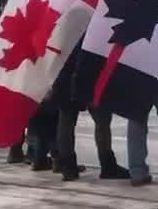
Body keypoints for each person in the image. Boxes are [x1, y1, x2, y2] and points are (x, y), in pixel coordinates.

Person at [53, 46, 129, 181]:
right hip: (90, 70)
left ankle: (68, 167)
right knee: (102, 120)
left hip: (65, 69)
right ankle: (108, 165)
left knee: (66, 120)